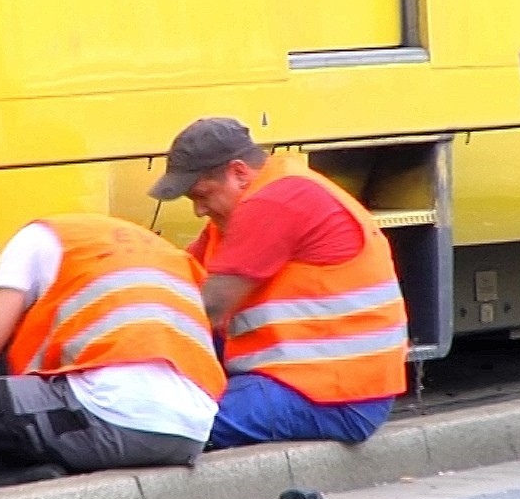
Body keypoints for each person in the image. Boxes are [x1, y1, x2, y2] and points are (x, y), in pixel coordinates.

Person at [0, 213, 225, 494]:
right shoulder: (160, 252)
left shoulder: (34, 240)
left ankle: (25, 482)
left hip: (109, 416)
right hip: (190, 433)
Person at [147, 117, 408, 449]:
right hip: (307, 384)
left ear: (239, 172)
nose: (199, 210)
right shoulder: (249, 205)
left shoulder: (277, 201)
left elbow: (205, 309)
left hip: (332, 395)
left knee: (170, 427)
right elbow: (179, 282)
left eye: (202, 195)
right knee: (164, 417)